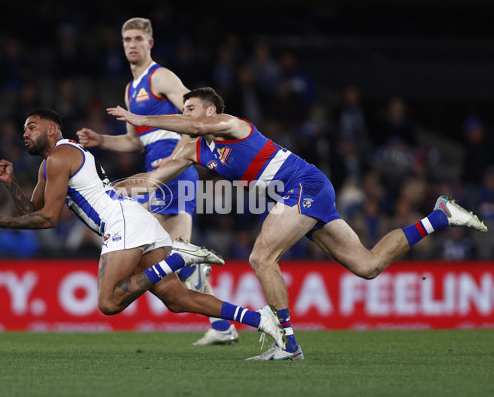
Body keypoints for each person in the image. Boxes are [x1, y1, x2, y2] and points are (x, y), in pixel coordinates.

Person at [103, 87, 488, 360]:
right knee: (368, 266)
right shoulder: (192, 148)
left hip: (303, 185)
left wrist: (141, 118)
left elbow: (199, 128)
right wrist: (105, 192)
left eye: (189, 108)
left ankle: (287, 344)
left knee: (261, 258)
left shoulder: (229, 123)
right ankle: (441, 215)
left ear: (208, 111)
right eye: (181, 109)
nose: (184, 114)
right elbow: (153, 181)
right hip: (302, 192)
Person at [0, 109, 285, 354]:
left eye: (31, 127)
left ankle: (180, 257)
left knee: (108, 302)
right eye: (25, 128)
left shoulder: (60, 157)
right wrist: (10, 186)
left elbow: (49, 220)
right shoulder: (51, 162)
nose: (25, 133)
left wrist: (0, 223)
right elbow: (32, 211)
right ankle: (260, 319)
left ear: (51, 130)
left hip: (121, 222)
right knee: (175, 299)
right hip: (133, 218)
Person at [77, 17, 238, 346]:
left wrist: (180, 154)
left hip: (172, 172)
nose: (132, 44)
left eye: (138, 38)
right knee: (166, 256)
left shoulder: (160, 76)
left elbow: (194, 117)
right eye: (126, 39)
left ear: (150, 43)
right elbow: (136, 142)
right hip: (158, 170)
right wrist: (101, 140)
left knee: (158, 252)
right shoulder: (130, 88)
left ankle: (200, 274)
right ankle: (219, 318)